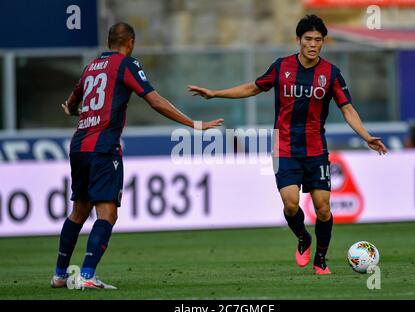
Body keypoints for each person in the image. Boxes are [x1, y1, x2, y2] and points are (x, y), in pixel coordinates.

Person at [188, 15, 387, 275]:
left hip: (316, 149)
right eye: (308, 39)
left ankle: (321, 259)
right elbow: (253, 88)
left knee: (323, 208)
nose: (313, 44)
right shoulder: (281, 67)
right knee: (291, 203)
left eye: (318, 40)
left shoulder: (331, 74)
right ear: (298, 40)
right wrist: (215, 93)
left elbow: (347, 109)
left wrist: (366, 135)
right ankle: (303, 237)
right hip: (284, 147)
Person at [51, 22, 223, 290]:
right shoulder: (126, 64)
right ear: (130, 43)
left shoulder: (91, 67)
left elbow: (71, 104)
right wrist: (193, 124)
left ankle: (60, 274)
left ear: (109, 42)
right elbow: (154, 101)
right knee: (107, 213)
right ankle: (86, 275)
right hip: (103, 148)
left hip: (79, 146)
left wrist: (79, 112)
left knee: (78, 211)